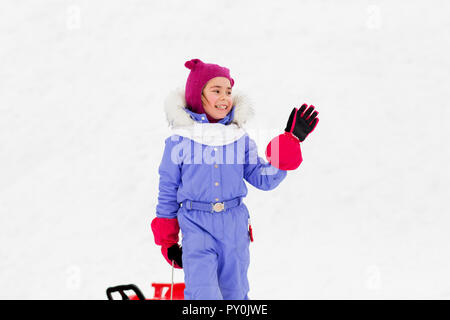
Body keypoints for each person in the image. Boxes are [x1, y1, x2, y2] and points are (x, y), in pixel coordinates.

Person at [150, 58, 319, 300]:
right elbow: (167, 190)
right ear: (198, 96)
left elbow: (264, 179)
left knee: (235, 294)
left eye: (228, 91)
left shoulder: (238, 138)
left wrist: (290, 141)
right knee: (203, 295)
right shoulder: (180, 141)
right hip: (196, 227)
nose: (225, 97)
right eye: (216, 90)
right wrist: (168, 239)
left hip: (234, 227)